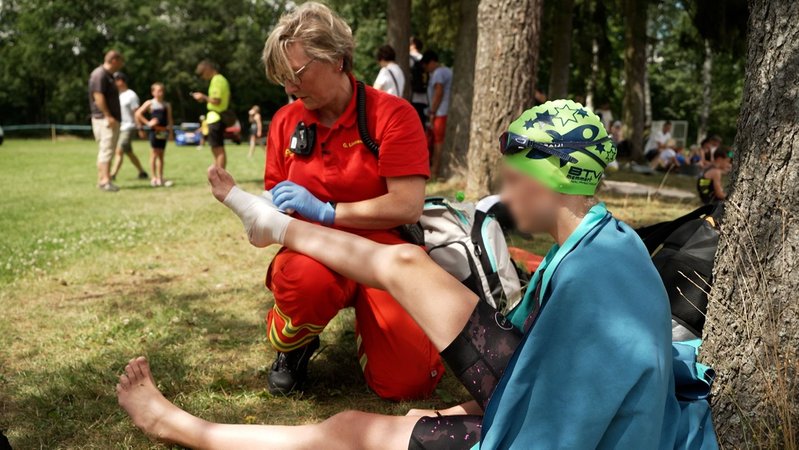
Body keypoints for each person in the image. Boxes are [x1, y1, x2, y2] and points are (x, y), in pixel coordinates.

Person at [118, 100, 709, 449]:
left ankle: (181, 428)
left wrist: (491, 421)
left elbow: (571, 423)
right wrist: (481, 406)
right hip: (549, 399)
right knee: (404, 261)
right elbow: (568, 369)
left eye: (511, 176)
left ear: (548, 181)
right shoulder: (605, 240)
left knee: (350, 430)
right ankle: (273, 225)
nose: (503, 190)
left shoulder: (593, 273)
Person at [258, 2, 441, 400]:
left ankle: (372, 328)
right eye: (282, 79)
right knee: (304, 284)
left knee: (410, 384)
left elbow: (407, 206)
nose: (289, 88)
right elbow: (274, 196)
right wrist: (261, 209)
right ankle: (293, 345)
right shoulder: (286, 122)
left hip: (384, 249)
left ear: (338, 60)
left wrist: (329, 211)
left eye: (297, 74)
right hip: (314, 249)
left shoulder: (392, 115)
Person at [88, 50, 125, 192]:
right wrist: (108, 116)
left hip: (106, 119)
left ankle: (102, 179)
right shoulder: (100, 74)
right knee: (106, 151)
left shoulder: (108, 75)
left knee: (106, 150)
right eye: (121, 61)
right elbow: (98, 96)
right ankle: (105, 181)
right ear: (114, 60)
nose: (122, 64)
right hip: (105, 120)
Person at [110, 72, 149, 181]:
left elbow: (136, 113)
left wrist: (140, 128)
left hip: (129, 127)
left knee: (119, 150)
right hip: (120, 127)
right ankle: (142, 172)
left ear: (121, 81)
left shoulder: (131, 95)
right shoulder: (118, 95)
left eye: (115, 80)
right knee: (128, 152)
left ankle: (112, 174)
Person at [192, 60, 230, 168]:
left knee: (218, 149)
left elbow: (216, 101)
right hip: (217, 118)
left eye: (202, 73)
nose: (202, 77)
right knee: (216, 148)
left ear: (208, 69)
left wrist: (203, 97)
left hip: (216, 118)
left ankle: (220, 177)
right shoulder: (220, 79)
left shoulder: (217, 80)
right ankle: (218, 175)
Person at [135, 83, 174, 187]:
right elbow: (138, 113)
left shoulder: (166, 105)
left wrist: (170, 133)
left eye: (162, 90)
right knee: (154, 154)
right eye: (158, 91)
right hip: (154, 132)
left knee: (161, 155)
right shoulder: (150, 103)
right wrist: (148, 123)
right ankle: (153, 178)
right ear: (153, 92)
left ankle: (160, 178)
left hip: (163, 132)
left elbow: (169, 120)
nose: (160, 93)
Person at [421, 50, 453, 178]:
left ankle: (435, 170)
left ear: (432, 62)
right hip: (442, 111)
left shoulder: (438, 73)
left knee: (437, 142)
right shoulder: (447, 71)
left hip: (440, 112)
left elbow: (438, 92)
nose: (427, 70)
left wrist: (432, 111)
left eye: (426, 66)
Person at [409, 36, 428, 125]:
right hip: (424, 96)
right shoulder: (423, 58)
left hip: (413, 95)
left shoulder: (409, 58)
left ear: (413, 45)